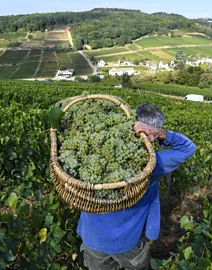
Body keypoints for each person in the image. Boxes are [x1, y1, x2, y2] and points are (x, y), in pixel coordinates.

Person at [77, 103, 196, 270]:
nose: (153, 139)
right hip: (127, 243)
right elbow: (188, 148)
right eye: (153, 134)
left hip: (92, 237)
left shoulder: (92, 153)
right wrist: (161, 133)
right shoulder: (150, 166)